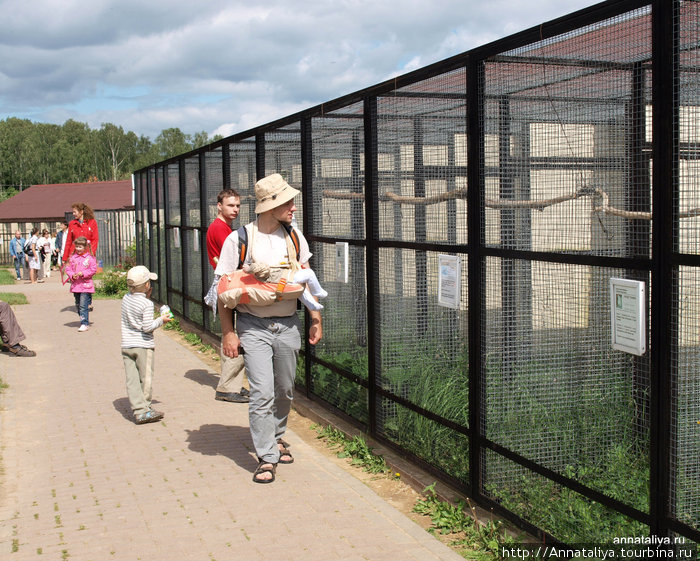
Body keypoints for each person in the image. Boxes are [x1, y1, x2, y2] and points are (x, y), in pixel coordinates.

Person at [215, 173, 322, 483]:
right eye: (288, 202)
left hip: (288, 323)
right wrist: (228, 331)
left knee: (285, 389)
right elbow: (223, 289)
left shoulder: (294, 237)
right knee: (261, 392)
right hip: (252, 325)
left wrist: (316, 318)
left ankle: (275, 435)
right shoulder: (239, 240)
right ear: (270, 205)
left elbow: (307, 281)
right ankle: (266, 456)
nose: (294, 207)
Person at [206, 188, 250, 404]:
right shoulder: (221, 229)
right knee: (231, 333)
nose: (235, 209)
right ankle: (228, 387)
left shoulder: (225, 228)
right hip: (228, 285)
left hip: (230, 284)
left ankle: (231, 384)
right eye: (230, 205)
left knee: (234, 332)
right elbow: (232, 259)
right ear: (219, 206)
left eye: (238, 205)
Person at [121, 265, 172, 424]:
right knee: (146, 377)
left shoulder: (126, 298)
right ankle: (145, 409)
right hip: (143, 345)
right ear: (147, 285)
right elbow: (147, 327)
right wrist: (161, 320)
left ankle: (137, 408)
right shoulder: (146, 304)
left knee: (132, 378)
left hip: (127, 344)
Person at [65, 236, 97, 332]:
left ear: (85, 247)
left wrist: (83, 273)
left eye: (80, 247)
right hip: (76, 286)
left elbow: (93, 270)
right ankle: (84, 314)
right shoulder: (73, 258)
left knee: (83, 305)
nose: (78, 249)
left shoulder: (89, 258)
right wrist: (71, 275)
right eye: (77, 247)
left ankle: (84, 323)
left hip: (86, 286)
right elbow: (68, 269)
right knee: (78, 305)